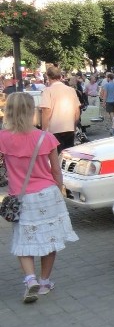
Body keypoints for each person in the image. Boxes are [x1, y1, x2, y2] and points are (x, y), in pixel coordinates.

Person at [0, 92, 78, 303]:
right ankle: (44, 282)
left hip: (21, 197)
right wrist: (59, 190)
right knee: (49, 239)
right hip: (47, 194)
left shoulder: (3, 138)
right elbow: (56, 171)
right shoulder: (45, 137)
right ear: (31, 111)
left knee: (24, 239)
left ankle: (30, 278)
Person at [39, 65, 80, 153]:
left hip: (54, 129)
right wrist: (74, 125)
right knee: (68, 155)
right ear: (60, 76)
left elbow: (46, 111)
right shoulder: (71, 90)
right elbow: (77, 110)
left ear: (48, 77)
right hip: (69, 127)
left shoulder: (48, 91)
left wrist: (44, 130)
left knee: (56, 157)